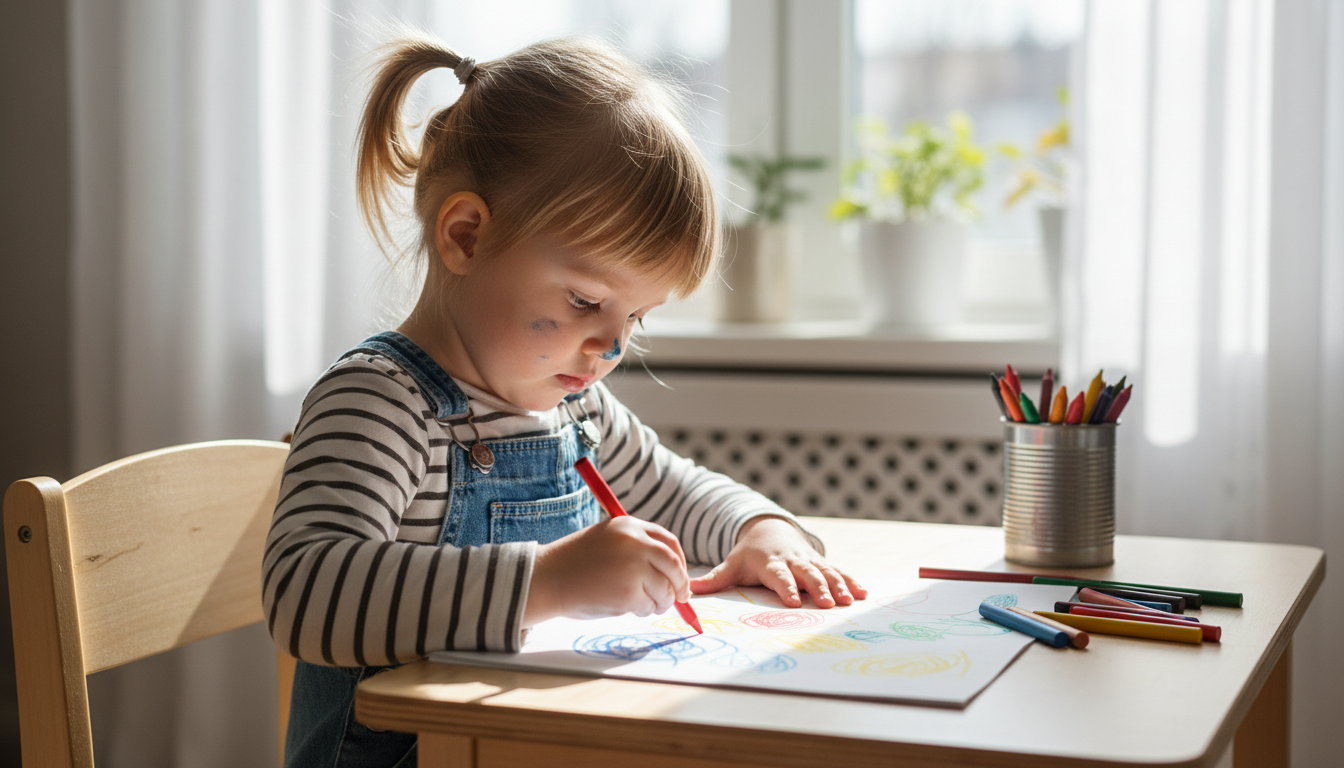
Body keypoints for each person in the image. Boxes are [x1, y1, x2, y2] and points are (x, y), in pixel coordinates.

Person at [263, 31, 867, 768]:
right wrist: (547, 582)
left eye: (633, 320)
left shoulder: (573, 410)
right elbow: (306, 593)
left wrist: (759, 532)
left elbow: (677, 490)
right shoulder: (378, 403)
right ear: (465, 235)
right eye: (586, 301)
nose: (610, 348)